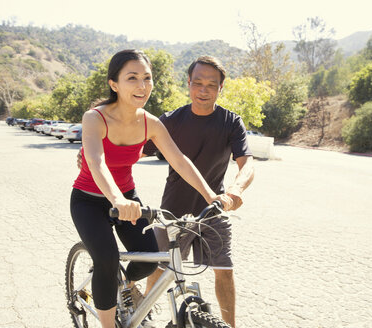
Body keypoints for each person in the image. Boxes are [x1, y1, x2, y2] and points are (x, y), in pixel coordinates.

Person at [70, 49, 231, 328]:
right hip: (89, 201)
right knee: (107, 259)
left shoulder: (150, 123)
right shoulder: (94, 118)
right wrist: (118, 199)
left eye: (147, 78)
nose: (142, 86)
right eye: (132, 78)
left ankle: (117, 286)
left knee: (148, 261)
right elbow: (96, 163)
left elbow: (180, 160)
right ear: (114, 84)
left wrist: (211, 196)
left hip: (127, 199)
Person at [142, 56, 255, 328]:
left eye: (211, 85)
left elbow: (247, 162)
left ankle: (230, 327)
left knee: (224, 272)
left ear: (220, 88)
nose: (204, 90)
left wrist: (236, 189)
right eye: (198, 83)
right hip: (173, 210)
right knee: (158, 269)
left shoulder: (230, 122)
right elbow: (133, 147)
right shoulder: (170, 121)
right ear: (189, 84)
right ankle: (142, 311)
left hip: (214, 208)